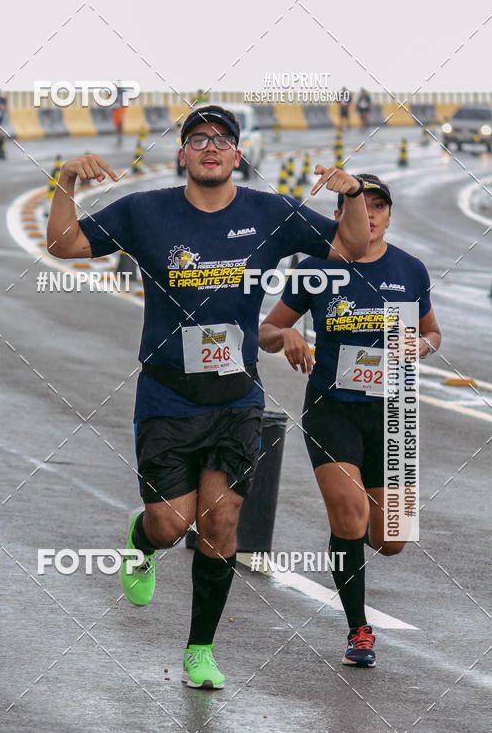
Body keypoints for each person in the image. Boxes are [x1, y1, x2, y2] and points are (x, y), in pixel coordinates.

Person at [47, 105, 369, 689]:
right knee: (172, 526)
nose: (211, 147)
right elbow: (65, 245)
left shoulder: (269, 213)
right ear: (183, 154)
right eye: (199, 139)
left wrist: (350, 197)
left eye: (223, 139)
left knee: (221, 526)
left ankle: (200, 650)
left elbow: (349, 247)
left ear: (238, 154)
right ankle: (142, 540)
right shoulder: (146, 212)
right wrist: (65, 180)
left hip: (236, 397)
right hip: (168, 395)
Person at [259, 174, 441, 668]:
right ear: (341, 215)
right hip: (331, 408)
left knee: (391, 540)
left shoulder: (409, 269)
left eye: (380, 206)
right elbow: (268, 329)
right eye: (361, 206)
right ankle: (359, 628)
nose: (372, 214)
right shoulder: (315, 268)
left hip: (392, 412)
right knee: (350, 516)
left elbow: (432, 333)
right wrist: (287, 338)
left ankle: (349, 547)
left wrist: (419, 347)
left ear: (388, 215)